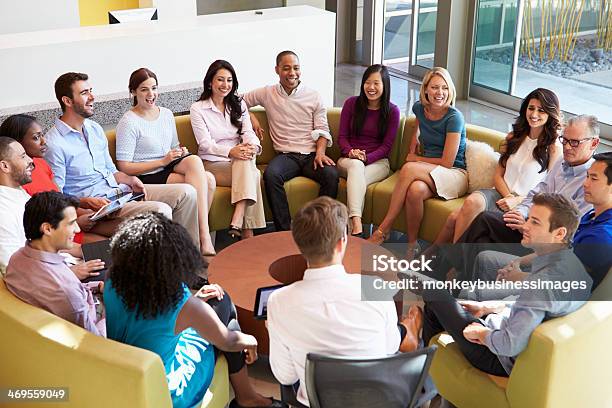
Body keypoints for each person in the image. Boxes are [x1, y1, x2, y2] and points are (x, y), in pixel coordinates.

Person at [104, 212, 283, 408]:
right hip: (168, 391)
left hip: (125, 374)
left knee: (217, 307)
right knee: (224, 305)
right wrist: (252, 340)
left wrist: (194, 303)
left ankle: (246, 397)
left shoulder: (112, 280)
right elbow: (228, 341)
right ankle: (247, 398)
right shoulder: (182, 303)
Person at [267, 197, 422, 407]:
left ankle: (407, 328)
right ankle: (408, 328)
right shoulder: (373, 289)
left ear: (299, 245)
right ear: (342, 242)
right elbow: (390, 347)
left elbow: (285, 377)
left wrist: (276, 332)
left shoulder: (279, 303)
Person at [420, 193, 591, 377]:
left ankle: (423, 375)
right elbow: (538, 307)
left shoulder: (542, 284)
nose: (525, 226)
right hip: (504, 328)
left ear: (559, 233)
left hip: (498, 357)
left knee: (434, 295)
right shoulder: (574, 267)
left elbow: (509, 344)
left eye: (535, 222)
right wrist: (492, 307)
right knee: (441, 305)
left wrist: (483, 333)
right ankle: (431, 373)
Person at [44, 72, 202, 251]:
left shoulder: (94, 129)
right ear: (67, 101)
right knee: (160, 210)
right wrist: (85, 202)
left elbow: (111, 170)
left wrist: (129, 179)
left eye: (91, 91)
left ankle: (190, 260)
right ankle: (170, 270)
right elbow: (56, 195)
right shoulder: (54, 143)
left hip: (119, 193)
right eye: (84, 93)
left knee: (187, 193)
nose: (92, 97)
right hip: (99, 208)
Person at [444, 115, 600, 278]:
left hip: (544, 242)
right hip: (530, 225)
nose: (567, 147)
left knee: (485, 224)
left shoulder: (591, 182)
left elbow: (568, 231)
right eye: (564, 140)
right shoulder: (562, 163)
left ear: (594, 143)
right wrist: (521, 213)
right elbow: (538, 192)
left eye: (574, 142)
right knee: (484, 229)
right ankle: (458, 279)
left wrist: (528, 224)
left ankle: (451, 273)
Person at [432, 88, 562, 245]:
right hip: (500, 194)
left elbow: (549, 189)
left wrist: (517, 201)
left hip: (526, 203)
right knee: (471, 202)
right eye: (531, 108)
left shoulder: (553, 147)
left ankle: (448, 263)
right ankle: (445, 259)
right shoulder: (513, 137)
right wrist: (508, 197)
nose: (534, 115)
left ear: (550, 113)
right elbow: (498, 176)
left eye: (541, 110)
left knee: (455, 218)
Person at [115, 68, 216, 255]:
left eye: (154, 88)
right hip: (145, 175)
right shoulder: (129, 122)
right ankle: (198, 243)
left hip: (167, 165)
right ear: (134, 92)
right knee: (207, 180)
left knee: (195, 162)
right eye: (144, 89)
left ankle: (201, 238)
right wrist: (162, 161)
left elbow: (173, 146)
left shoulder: (167, 114)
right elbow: (124, 166)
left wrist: (179, 152)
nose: (151, 94)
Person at [368, 67, 467, 258]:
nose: (440, 93)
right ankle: (412, 245)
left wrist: (416, 159)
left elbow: (447, 162)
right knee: (415, 191)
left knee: (409, 168)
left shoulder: (454, 117)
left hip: (454, 173)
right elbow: (417, 127)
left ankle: (383, 229)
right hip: (430, 171)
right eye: (435, 87)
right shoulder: (419, 108)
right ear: (426, 90)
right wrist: (413, 146)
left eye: (445, 88)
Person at [243, 50, 339, 231]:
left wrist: (320, 153)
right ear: (277, 70)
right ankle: (284, 231)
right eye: (286, 68)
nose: (292, 73)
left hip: (311, 155)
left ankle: (318, 226)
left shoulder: (314, 95)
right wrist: (251, 117)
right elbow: (238, 101)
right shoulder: (267, 93)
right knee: (271, 175)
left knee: (331, 176)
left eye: (296, 68)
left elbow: (322, 129)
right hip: (286, 156)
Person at [1, 114, 120, 245]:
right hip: (62, 233)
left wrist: (89, 209)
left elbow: (59, 199)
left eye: (42, 135)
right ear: (18, 144)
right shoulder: (20, 181)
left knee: (130, 228)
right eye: (36, 138)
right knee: (114, 246)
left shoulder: (41, 162)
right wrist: (76, 220)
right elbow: (39, 224)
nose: (44, 141)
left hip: (74, 220)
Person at [4, 191, 105, 336]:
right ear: (47, 229)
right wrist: (111, 300)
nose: (77, 229)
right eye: (71, 223)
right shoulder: (66, 290)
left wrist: (97, 287)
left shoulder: (17, 259)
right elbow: (96, 340)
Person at [190, 60, 265, 239]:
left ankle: (238, 222)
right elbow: (204, 144)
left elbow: (248, 132)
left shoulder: (238, 104)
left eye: (229, 80)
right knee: (253, 174)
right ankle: (247, 231)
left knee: (245, 160)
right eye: (220, 80)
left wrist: (253, 146)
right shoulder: (198, 109)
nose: (225, 85)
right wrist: (231, 152)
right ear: (210, 82)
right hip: (213, 163)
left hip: (239, 160)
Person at [337, 64, 400, 236]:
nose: (371, 87)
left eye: (376, 83)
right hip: (348, 160)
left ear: (385, 86)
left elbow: (386, 147)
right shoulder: (351, 104)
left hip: (378, 163)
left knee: (357, 179)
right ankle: (357, 222)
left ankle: (352, 228)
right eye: (367, 82)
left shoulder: (392, 111)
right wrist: (351, 153)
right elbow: (341, 137)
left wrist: (366, 158)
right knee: (356, 168)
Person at [0, 137, 34, 266]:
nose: (30, 160)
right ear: (5, 166)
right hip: (51, 279)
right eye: (23, 156)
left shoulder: (18, 193)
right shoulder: (3, 211)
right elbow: (13, 267)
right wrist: (70, 273)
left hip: (63, 264)